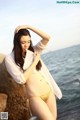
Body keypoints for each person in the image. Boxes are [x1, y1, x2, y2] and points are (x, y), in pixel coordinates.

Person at [5, 25, 62, 120]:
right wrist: (35, 61)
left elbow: (47, 38)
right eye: (23, 42)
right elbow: (21, 79)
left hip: (49, 92)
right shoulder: (10, 59)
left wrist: (28, 27)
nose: (26, 45)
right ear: (17, 42)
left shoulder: (34, 50)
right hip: (35, 97)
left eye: (28, 41)